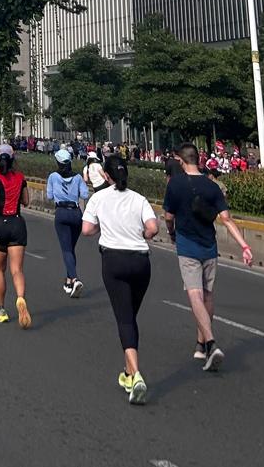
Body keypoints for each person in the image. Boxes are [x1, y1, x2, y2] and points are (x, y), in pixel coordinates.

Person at [162, 143, 254, 370]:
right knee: (208, 295)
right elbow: (226, 219)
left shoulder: (175, 184)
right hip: (209, 246)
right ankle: (200, 344)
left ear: (181, 162)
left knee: (195, 295)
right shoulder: (212, 187)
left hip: (187, 245)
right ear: (198, 160)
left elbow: (168, 215)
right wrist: (244, 246)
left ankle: (211, 343)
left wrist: (171, 232)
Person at [81, 155, 159, 404]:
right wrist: (143, 233)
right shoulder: (139, 199)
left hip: (113, 261)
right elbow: (153, 228)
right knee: (130, 317)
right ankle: (127, 372)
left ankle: (136, 375)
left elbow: (86, 230)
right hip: (140, 262)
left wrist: (103, 228)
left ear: (106, 175)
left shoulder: (99, 198)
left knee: (124, 319)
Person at [0, 146, 31, 327]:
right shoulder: (20, 178)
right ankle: (20, 298)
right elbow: (26, 201)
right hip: (17, 223)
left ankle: (0, 309)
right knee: (17, 269)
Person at [47, 148, 90, 298]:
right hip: (76, 213)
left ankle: (75, 278)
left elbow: (49, 196)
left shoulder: (53, 177)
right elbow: (85, 194)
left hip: (61, 213)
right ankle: (69, 281)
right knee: (70, 248)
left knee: (66, 249)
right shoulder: (78, 177)